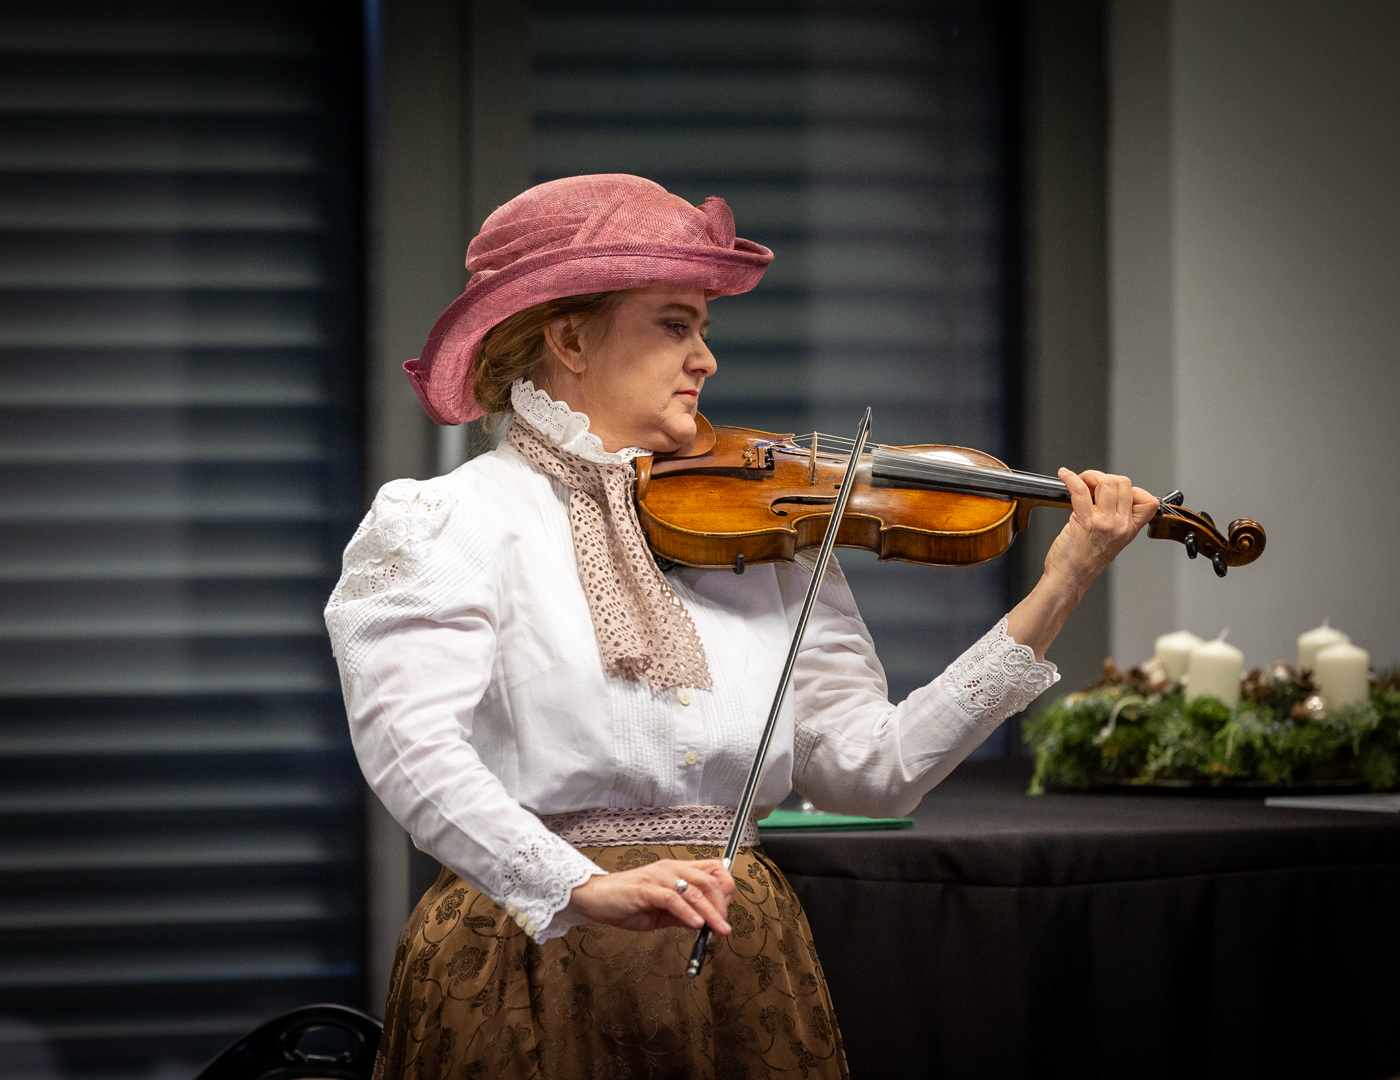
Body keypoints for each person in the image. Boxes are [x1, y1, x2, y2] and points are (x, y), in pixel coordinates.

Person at [325, 174, 1158, 1078]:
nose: (706, 359)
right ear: (570, 338)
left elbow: (873, 772)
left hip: (737, 962)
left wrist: (1061, 587)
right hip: (530, 957)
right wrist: (581, 885)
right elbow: (412, 752)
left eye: (705, 329)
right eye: (674, 324)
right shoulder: (445, 521)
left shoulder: (766, 534)